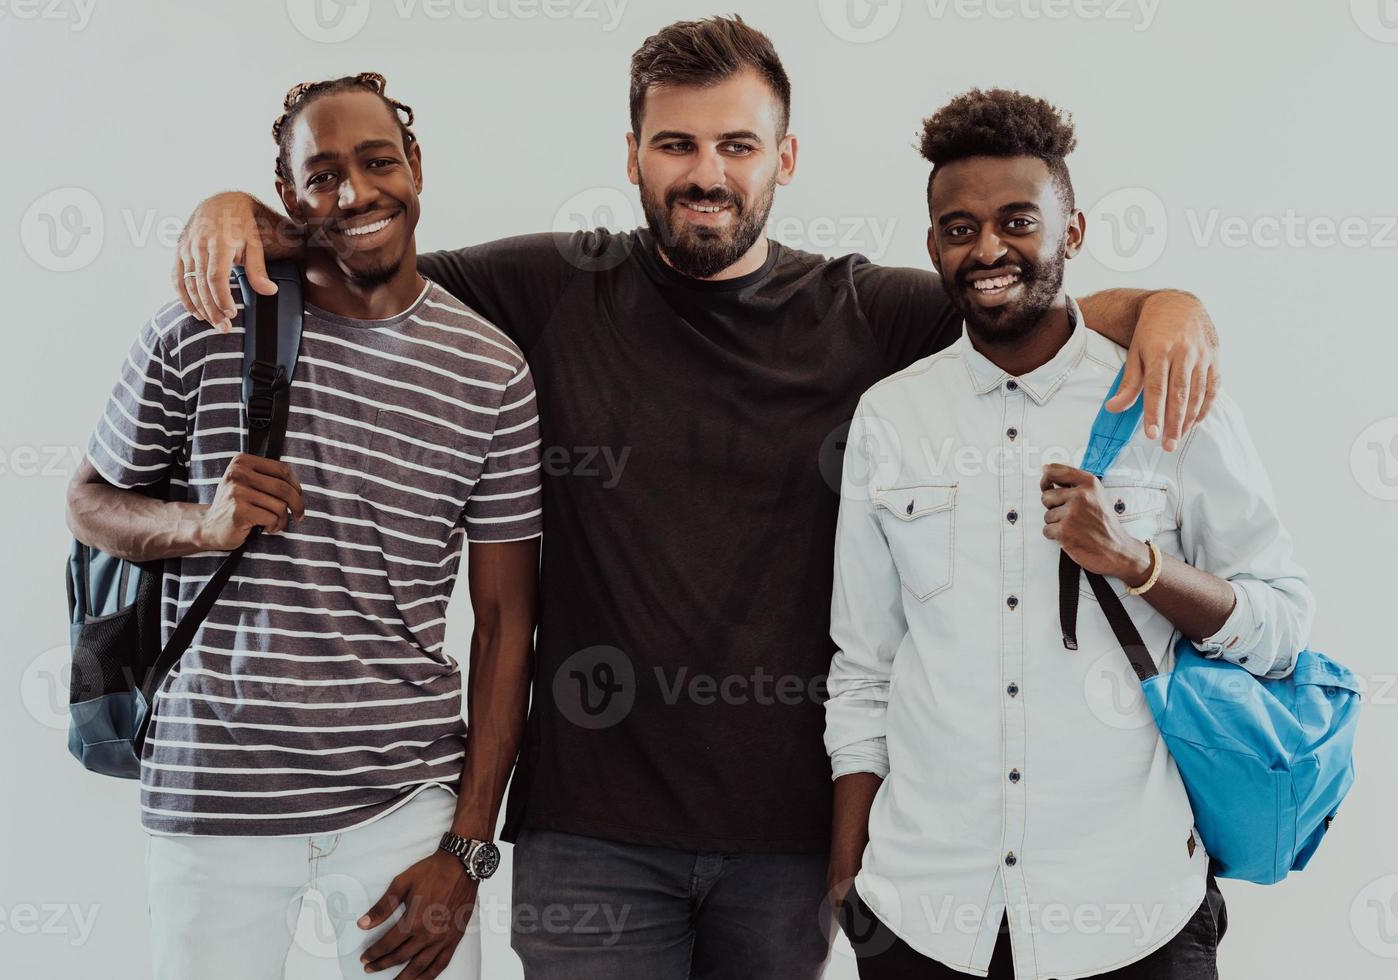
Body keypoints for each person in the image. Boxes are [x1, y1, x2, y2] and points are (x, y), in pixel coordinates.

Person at [166, 18, 1219, 979]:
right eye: (676, 145)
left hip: (785, 835)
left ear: (785, 158)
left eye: (737, 145)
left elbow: (1016, 299)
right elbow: (367, 254)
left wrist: (1168, 306)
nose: (705, 173)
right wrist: (237, 212)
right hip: (591, 830)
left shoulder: (861, 309)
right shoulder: (551, 285)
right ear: (631, 155)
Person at [825, 88, 1313, 980]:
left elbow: (1283, 628)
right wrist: (848, 884)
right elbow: (864, 670)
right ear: (934, 243)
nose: (988, 249)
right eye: (959, 227)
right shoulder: (890, 417)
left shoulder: (1170, 395)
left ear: (1074, 231)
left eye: (1018, 220)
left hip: (1138, 915)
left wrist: (1139, 565)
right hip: (925, 919)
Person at [64, 72, 543, 980]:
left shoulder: (492, 372)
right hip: (212, 796)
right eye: (322, 175)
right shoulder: (203, 328)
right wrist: (202, 525)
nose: (355, 193)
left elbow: (507, 624)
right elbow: (89, 505)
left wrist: (469, 849)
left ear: (416, 168)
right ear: (285, 196)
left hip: (401, 804)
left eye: (376, 162)